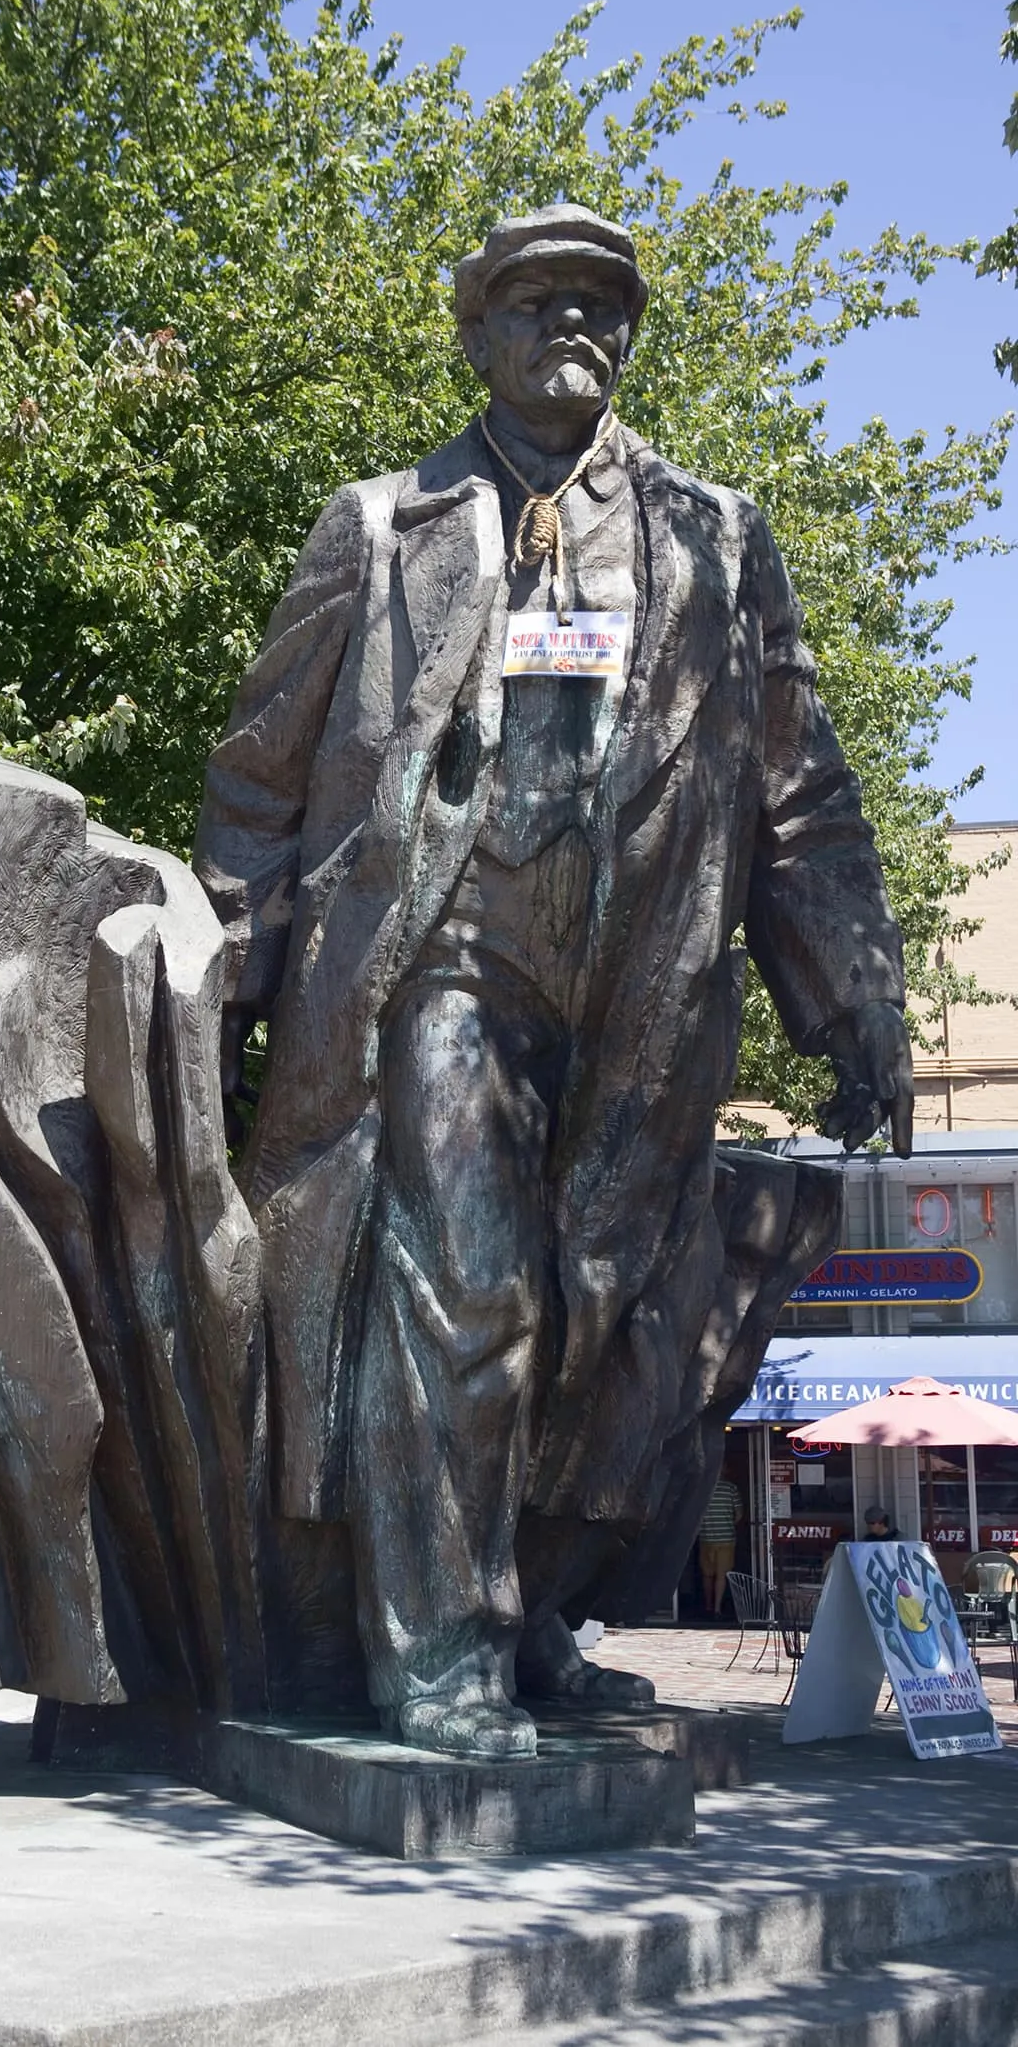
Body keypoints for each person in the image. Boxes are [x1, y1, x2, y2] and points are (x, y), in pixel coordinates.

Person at [195, 204, 914, 1758]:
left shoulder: (714, 537)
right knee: (472, 1287)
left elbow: (800, 789)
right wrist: (227, 969)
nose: (571, 323)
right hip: (441, 955)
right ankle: (437, 1654)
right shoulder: (380, 530)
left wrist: (855, 992)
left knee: (600, 1312)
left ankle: (520, 1623)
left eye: (601, 300)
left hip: (645, 985)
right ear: (477, 333)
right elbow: (259, 772)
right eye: (535, 301)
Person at [698, 1476, 744, 1615]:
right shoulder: (731, 1488)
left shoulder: (701, 1488)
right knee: (721, 1576)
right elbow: (739, 1514)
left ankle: (708, 1605)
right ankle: (717, 1608)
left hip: (705, 1537)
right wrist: (728, 1523)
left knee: (707, 1575)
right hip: (726, 1538)